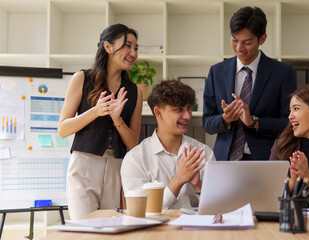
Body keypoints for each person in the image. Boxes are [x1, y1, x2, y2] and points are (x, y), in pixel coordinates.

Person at [58, 24, 143, 219]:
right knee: (85, 230)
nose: (133, 53)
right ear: (108, 47)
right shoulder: (82, 78)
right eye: (128, 46)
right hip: (84, 164)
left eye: (136, 48)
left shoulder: (135, 91)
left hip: (116, 166)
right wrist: (96, 111)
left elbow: (133, 143)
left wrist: (117, 119)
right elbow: (62, 129)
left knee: (110, 230)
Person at [203, 6, 296, 161]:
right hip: (225, 160)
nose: (239, 48)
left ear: (262, 38)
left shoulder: (282, 73)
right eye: (234, 40)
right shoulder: (216, 72)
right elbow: (207, 122)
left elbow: (290, 122)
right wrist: (225, 119)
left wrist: (254, 122)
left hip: (265, 159)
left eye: (247, 42)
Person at [121, 80, 215, 210]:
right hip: (153, 230)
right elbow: (142, 210)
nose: (187, 116)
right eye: (179, 110)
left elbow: (217, 209)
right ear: (158, 113)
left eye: (188, 108)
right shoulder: (136, 159)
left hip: (195, 229)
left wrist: (198, 186)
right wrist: (179, 179)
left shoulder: (204, 152)